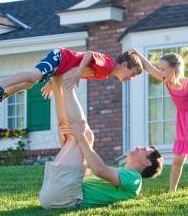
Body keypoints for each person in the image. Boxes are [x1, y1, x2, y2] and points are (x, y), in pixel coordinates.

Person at [39, 72, 164, 209]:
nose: (139, 147)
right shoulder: (122, 175)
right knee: (73, 136)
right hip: (55, 194)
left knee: (85, 135)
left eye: (144, 149)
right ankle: (58, 85)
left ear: (146, 162)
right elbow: (83, 169)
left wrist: (81, 137)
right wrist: (72, 139)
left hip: (64, 196)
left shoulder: (134, 178)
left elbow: (99, 170)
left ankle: (66, 86)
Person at [0, 47, 143, 125]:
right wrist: (78, 72)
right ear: (124, 64)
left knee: (29, 83)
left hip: (60, 66)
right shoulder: (108, 65)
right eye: (133, 73)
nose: (132, 78)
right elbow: (88, 54)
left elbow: (72, 72)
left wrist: (53, 80)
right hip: (60, 57)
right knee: (34, 76)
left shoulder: (105, 73)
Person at [131, 49, 188, 193]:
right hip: (182, 122)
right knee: (178, 160)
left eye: (163, 69)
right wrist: (137, 54)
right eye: (160, 69)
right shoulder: (166, 81)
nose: (160, 72)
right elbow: (149, 68)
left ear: (174, 69)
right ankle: (172, 190)